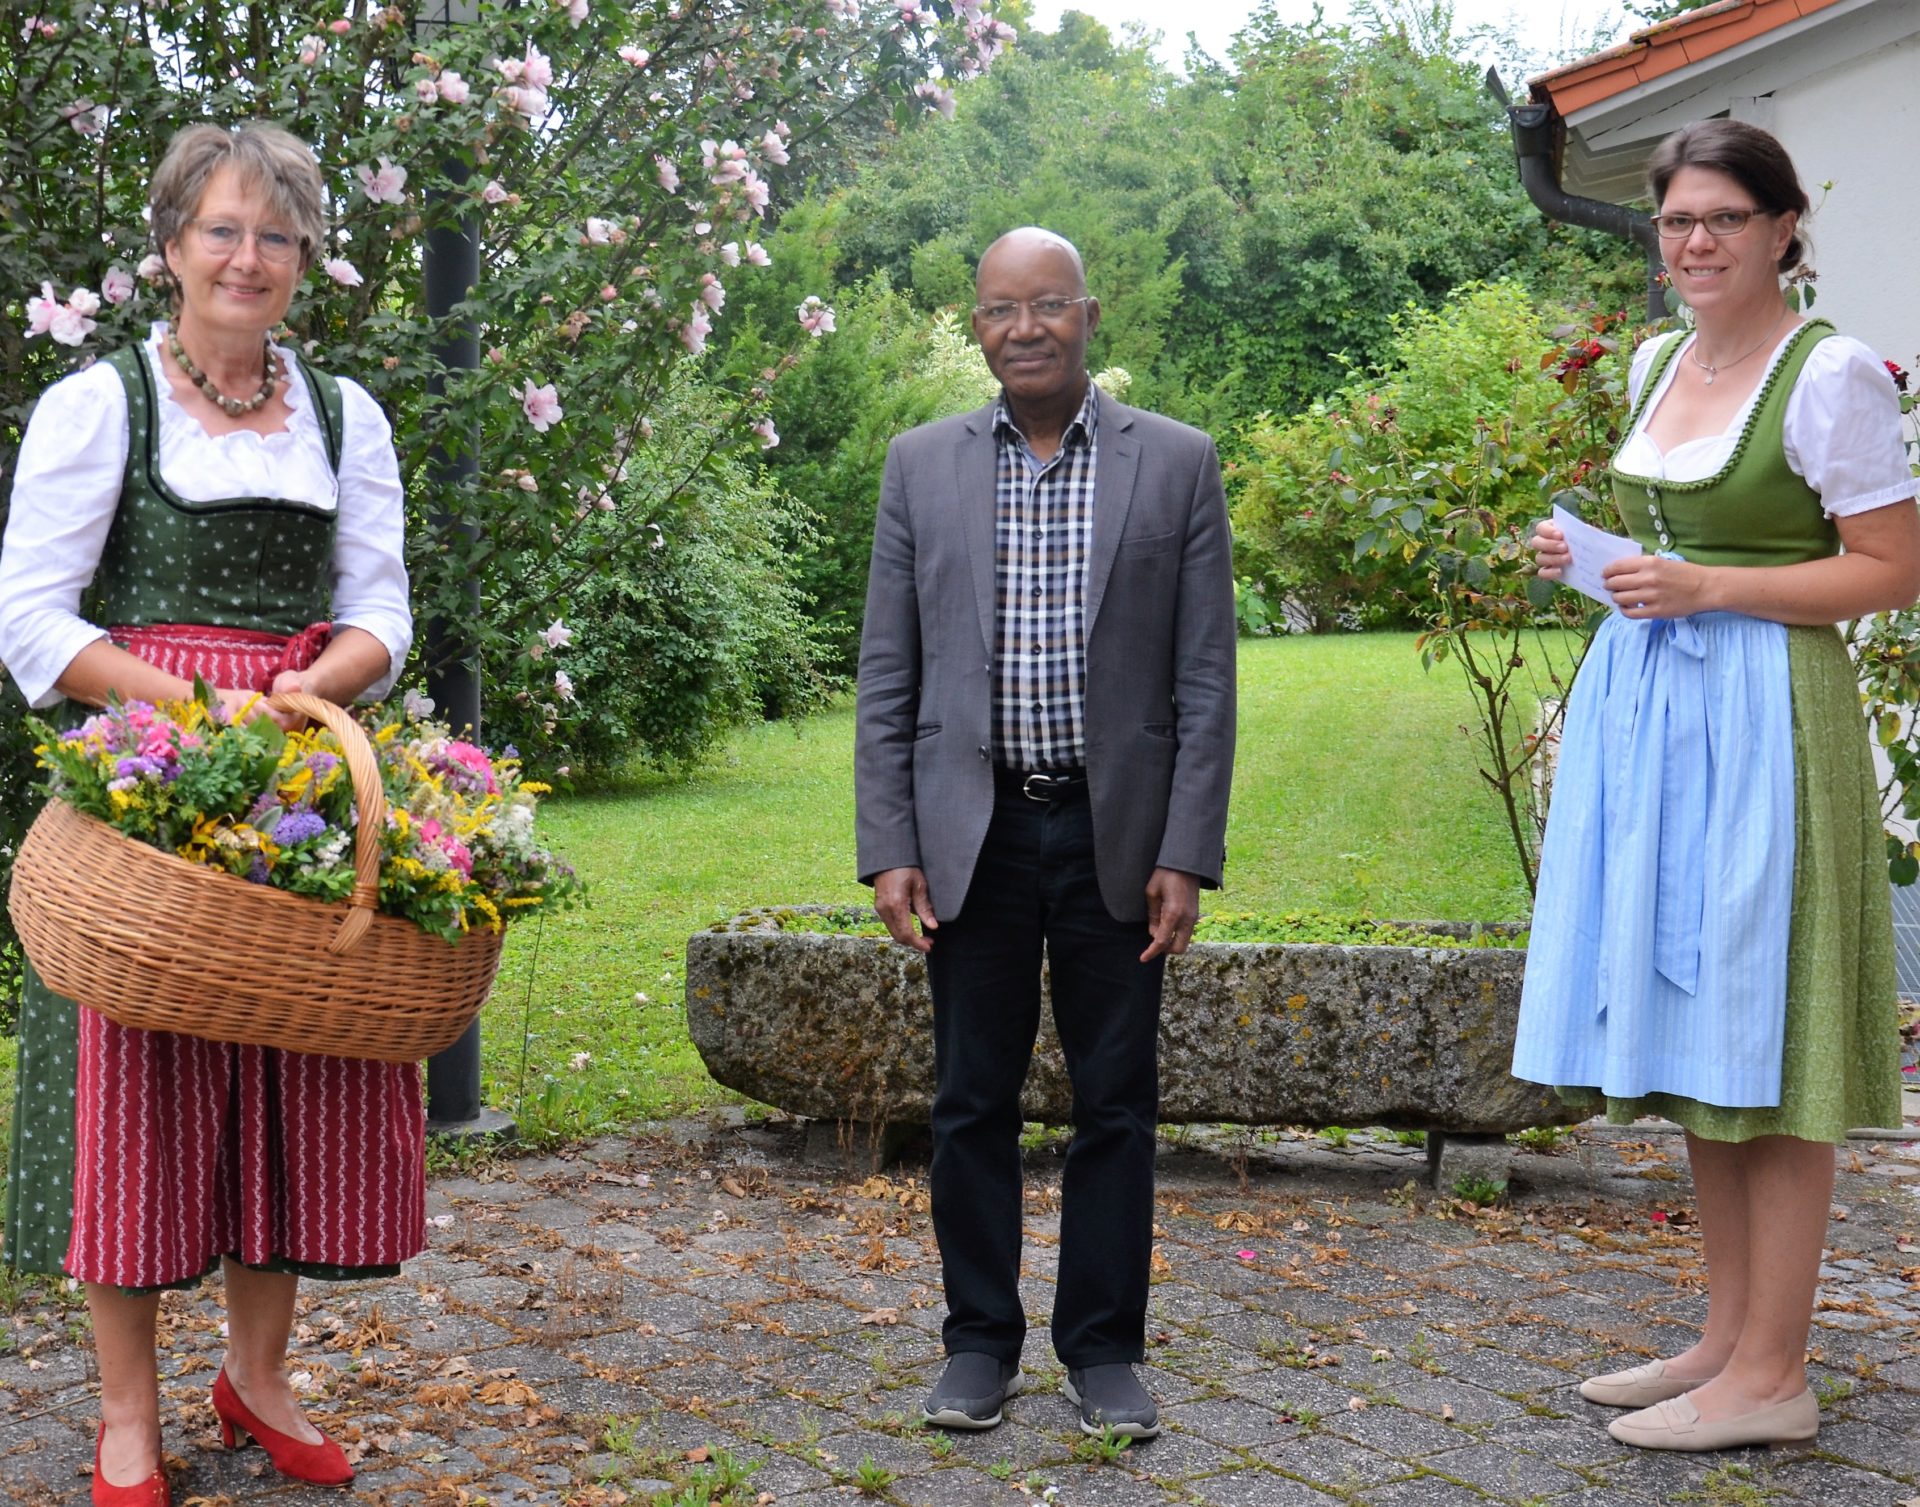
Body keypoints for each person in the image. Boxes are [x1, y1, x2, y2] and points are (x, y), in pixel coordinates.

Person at [0, 122, 417, 1504]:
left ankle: (257, 1377)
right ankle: (127, 1411)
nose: (249, 258)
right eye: (223, 230)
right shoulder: (101, 404)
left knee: (288, 1069)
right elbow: (31, 622)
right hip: (143, 777)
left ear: (303, 260)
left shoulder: (346, 415)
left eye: (277, 236)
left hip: (295, 770)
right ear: (173, 244)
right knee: (138, 1084)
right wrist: (191, 707)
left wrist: (306, 692)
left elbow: (382, 611)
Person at [1513, 119, 1920, 1453]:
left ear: (1784, 229)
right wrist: (1588, 557)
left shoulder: (1830, 373)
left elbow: (1889, 564)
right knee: (1698, 1024)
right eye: (1678, 221)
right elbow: (1669, 542)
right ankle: (1729, 1334)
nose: (1694, 243)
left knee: (1771, 1023)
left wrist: (1712, 587)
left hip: (1764, 725)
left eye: (1724, 221)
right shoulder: (1656, 361)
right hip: (1657, 720)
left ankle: (1778, 1371)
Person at [854, 227, 1236, 1439]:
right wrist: (889, 839)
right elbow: (887, 674)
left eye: (1048, 306)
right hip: (973, 837)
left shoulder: (1175, 464)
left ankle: (1105, 1349)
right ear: (978, 324)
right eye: (1001, 309)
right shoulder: (921, 467)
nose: (1025, 327)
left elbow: (1205, 680)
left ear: (1088, 315)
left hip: (1115, 836)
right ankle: (978, 1342)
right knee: (970, 1100)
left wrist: (1186, 848)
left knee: (1116, 1103)